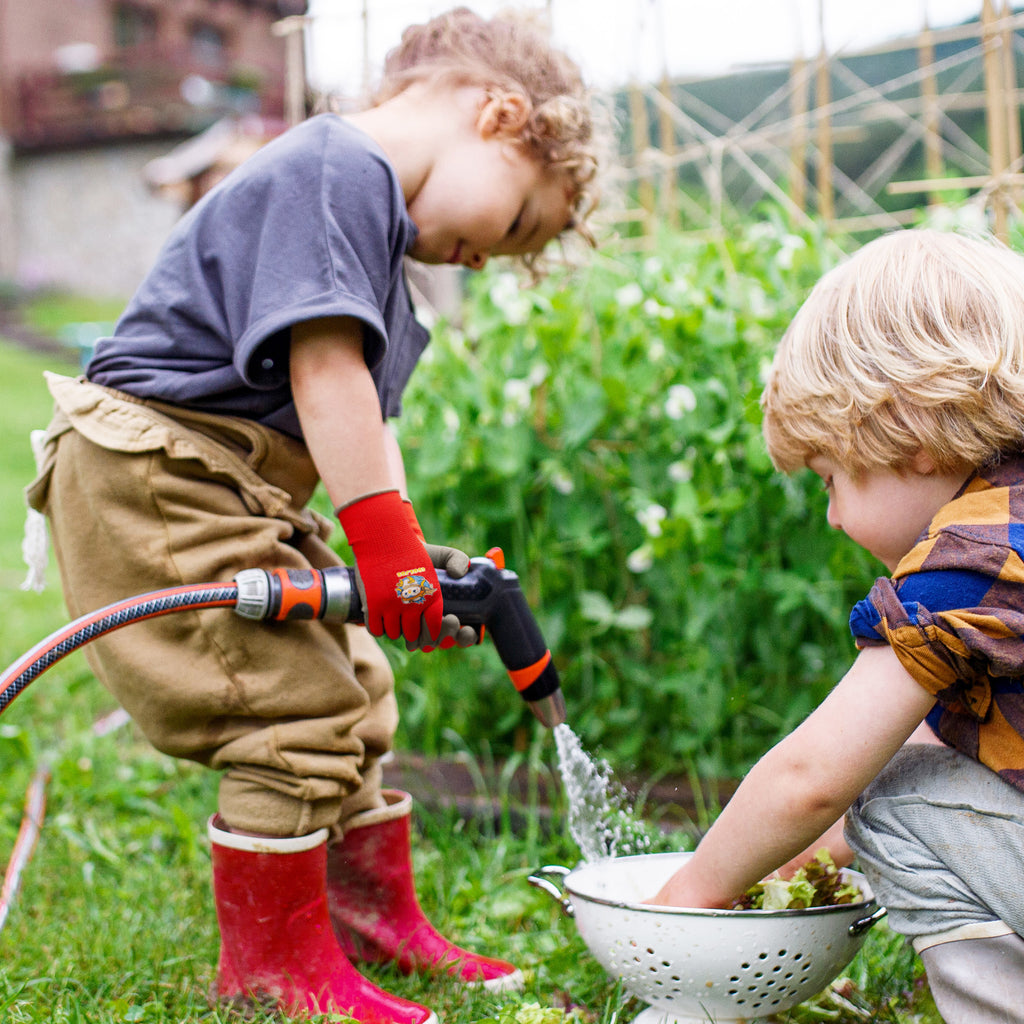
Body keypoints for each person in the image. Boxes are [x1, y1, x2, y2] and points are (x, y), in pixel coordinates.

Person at [24, 7, 600, 1021]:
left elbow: (366, 429)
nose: (480, 259)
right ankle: (271, 972)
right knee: (286, 703)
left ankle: (368, 918)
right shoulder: (338, 169)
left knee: (354, 685)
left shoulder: (371, 238)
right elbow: (325, 370)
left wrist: (405, 554)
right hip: (156, 467)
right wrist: (380, 549)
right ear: (502, 116)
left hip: (227, 480)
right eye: (516, 224)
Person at [649, 228, 1024, 1024]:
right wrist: (782, 867)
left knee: (886, 801)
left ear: (911, 437)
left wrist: (690, 898)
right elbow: (932, 740)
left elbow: (814, 778)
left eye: (828, 480)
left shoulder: (970, 559)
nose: (830, 515)